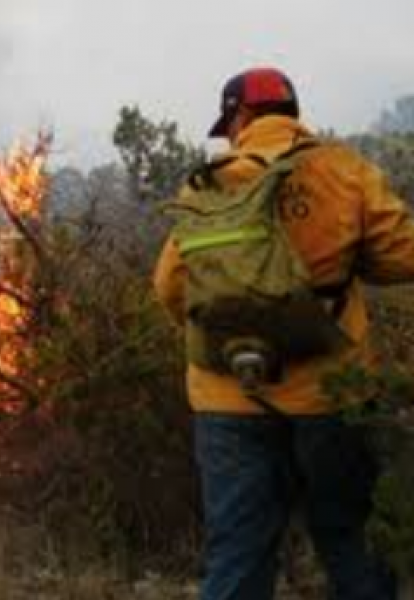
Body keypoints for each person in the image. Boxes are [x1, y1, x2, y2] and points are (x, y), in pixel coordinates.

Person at [154, 66, 414, 600]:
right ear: (291, 114)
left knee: (238, 553)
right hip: (331, 394)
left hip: (228, 398)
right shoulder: (344, 170)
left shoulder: (208, 183)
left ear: (241, 115)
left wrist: (230, 330)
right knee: (351, 540)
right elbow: (403, 255)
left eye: (228, 123)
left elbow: (171, 288)